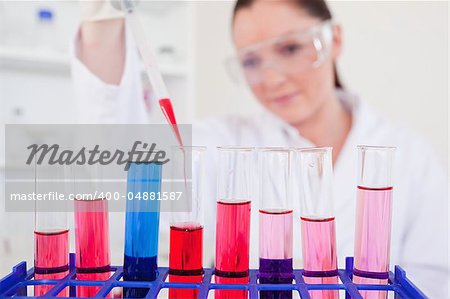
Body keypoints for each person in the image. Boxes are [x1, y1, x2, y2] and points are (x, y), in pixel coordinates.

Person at [72, 0, 448, 297]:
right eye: (252, 60)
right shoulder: (227, 144)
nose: (271, 78)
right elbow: (125, 155)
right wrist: (101, 24)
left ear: (333, 39)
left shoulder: (410, 155)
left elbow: (434, 282)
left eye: (290, 48)